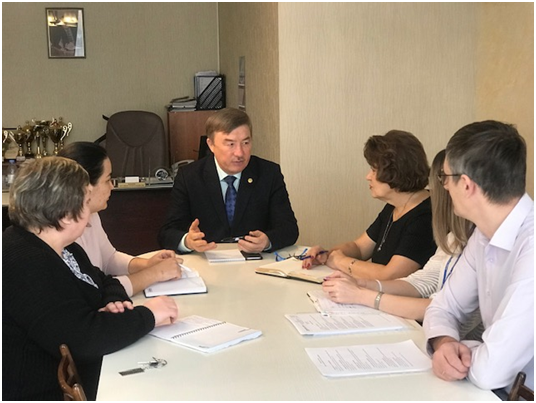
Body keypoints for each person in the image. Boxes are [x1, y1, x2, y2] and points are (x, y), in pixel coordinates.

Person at [2, 157, 178, 400]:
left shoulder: (65, 248)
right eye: (86, 202)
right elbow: (82, 340)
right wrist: (148, 315)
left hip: (83, 374)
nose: (89, 212)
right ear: (66, 215)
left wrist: (114, 302)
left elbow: (105, 281)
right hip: (42, 392)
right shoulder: (23, 262)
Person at [423, 121, 533, 395]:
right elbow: (442, 308)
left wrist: (464, 351)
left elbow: (490, 372)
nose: (444, 186)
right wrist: (445, 343)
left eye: (445, 176)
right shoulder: (483, 234)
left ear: (466, 185)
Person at [322, 150, 482, 337]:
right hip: (439, 336)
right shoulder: (454, 237)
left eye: (374, 169)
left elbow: (446, 309)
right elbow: (422, 281)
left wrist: (360, 293)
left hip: (458, 342)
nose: (441, 187)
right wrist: (360, 283)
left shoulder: (427, 217)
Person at [158, 107, 299, 254]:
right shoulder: (189, 177)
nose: (239, 153)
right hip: (206, 259)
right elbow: (166, 233)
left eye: (245, 143)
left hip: (255, 261)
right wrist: (187, 241)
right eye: (230, 144)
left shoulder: (268, 173)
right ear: (211, 145)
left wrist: (267, 241)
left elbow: (289, 229)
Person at [303, 130, 436, 280]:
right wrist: (327, 254)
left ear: (395, 172)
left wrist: (340, 261)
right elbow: (359, 248)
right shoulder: (395, 205)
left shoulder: (426, 216)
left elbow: (390, 275)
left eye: (374, 170)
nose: (368, 176)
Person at [59, 142, 183, 297]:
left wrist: (147, 264)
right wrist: (154, 274)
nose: (112, 186)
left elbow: (109, 259)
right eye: (107, 180)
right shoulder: (63, 231)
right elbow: (94, 290)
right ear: (85, 187)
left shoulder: (92, 214)